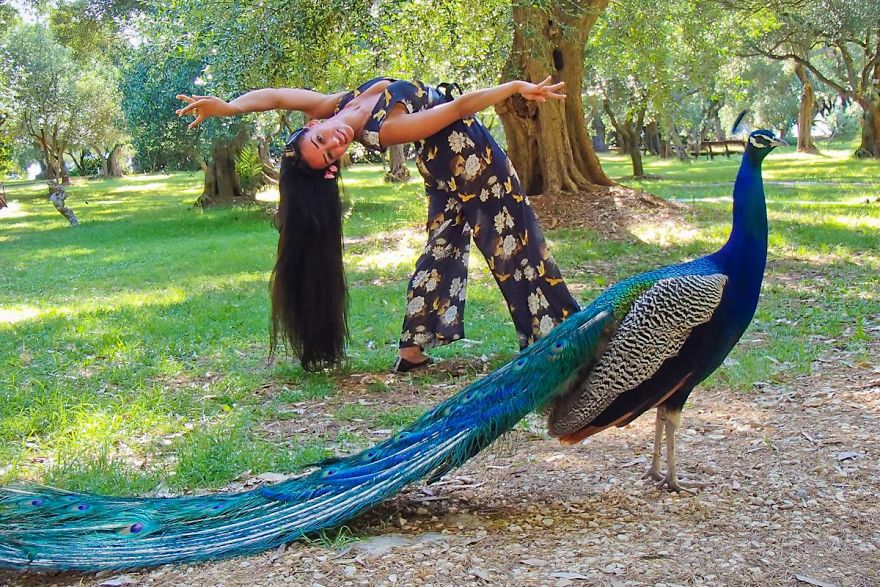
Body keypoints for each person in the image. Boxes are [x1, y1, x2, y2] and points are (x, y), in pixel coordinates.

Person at [176, 76, 580, 372]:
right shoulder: (381, 131)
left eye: (322, 142)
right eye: (330, 156)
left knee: (442, 247)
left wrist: (229, 106)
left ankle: (413, 347)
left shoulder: (334, 106)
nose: (335, 144)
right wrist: (511, 88)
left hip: (442, 164)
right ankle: (557, 337)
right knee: (515, 242)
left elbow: (277, 96)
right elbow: (456, 110)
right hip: (471, 157)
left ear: (311, 125)